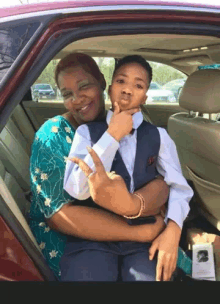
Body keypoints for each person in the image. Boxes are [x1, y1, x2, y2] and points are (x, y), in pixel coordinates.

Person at [29, 53, 169, 280]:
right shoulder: (52, 135)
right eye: (67, 94)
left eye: (84, 86)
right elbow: (58, 216)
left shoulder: (131, 122)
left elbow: (156, 182)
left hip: (133, 230)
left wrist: (164, 224)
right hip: (74, 239)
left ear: (103, 82)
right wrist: (140, 232)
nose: (77, 99)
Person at [64, 55, 194, 281]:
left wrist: (173, 231)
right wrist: (111, 136)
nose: (127, 90)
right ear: (110, 87)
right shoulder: (86, 133)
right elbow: (76, 189)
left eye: (138, 85)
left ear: (144, 96)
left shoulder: (159, 136)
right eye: (121, 81)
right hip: (95, 239)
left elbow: (179, 187)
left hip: (143, 239)